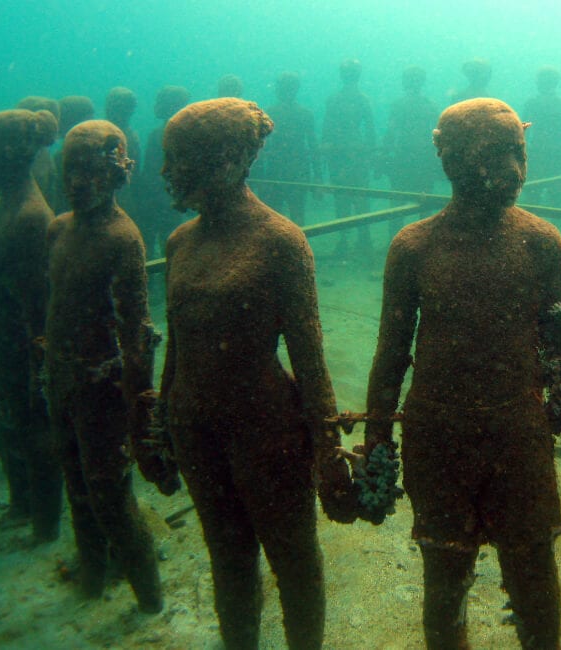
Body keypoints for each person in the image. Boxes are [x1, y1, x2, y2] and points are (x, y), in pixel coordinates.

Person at [363, 98, 561, 649]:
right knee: (445, 581)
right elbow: (390, 356)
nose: (514, 170)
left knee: (534, 577)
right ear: (451, 162)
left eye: (519, 153)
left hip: (520, 437)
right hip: (437, 438)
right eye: (494, 154)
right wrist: (377, 446)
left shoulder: (541, 242)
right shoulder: (413, 248)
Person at [158, 98, 356, 650]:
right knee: (227, 557)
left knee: (293, 559)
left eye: (178, 158)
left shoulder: (279, 241)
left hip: (266, 429)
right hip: (194, 427)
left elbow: (310, 362)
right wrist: (161, 422)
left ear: (226, 158)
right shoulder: (179, 243)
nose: (165, 172)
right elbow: (177, 346)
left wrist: (327, 451)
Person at [46, 119, 169, 611]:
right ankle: (92, 576)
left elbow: (135, 332)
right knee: (76, 485)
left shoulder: (123, 238)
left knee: (109, 496)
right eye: (69, 170)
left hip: (103, 392)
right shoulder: (58, 230)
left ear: (117, 174)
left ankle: (150, 598)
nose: (77, 182)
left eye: (89, 171)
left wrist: (140, 410)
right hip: (61, 381)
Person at [0, 108, 63, 544]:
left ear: (12, 153)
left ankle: (46, 522)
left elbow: (39, 309)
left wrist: (38, 371)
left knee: (36, 432)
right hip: (1, 345)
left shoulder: (30, 218)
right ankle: (25, 503)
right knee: (15, 430)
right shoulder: (2, 205)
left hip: (20, 350)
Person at [321, 58, 376, 256]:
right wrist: (371, 155)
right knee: (360, 196)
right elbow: (370, 132)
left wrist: (327, 150)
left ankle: (346, 240)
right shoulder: (363, 99)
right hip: (356, 150)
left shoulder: (334, 99)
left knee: (342, 196)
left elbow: (326, 130)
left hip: (338, 152)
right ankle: (362, 239)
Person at [380, 65, 441, 240]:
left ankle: (396, 241)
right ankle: (426, 243)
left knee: (397, 202)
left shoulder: (398, 105)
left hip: (403, 157)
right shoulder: (430, 105)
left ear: (405, 82)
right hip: (424, 158)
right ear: (422, 82)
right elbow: (438, 133)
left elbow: (390, 133)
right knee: (425, 202)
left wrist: (384, 153)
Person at [136, 85, 191, 257]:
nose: (155, 106)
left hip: (156, 200)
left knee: (150, 246)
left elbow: (150, 171)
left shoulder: (158, 134)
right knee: (171, 246)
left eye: (159, 102)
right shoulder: (185, 134)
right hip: (172, 199)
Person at [262, 71, 321, 227]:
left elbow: (261, 148)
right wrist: (318, 177)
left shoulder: (270, 113)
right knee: (297, 215)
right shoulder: (305, 113)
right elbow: (313, 148)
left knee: (275, 218)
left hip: (276, 172)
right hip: (297, 171)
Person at [521, 65, 561, 208]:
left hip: (537, 153)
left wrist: (520, 156)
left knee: (533, 198)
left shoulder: (532, 103)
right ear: (556, 82)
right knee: (557, 199)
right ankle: (555, 228)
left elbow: (523, 132)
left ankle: (533, 229)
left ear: (539, 83)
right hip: (559, 154)